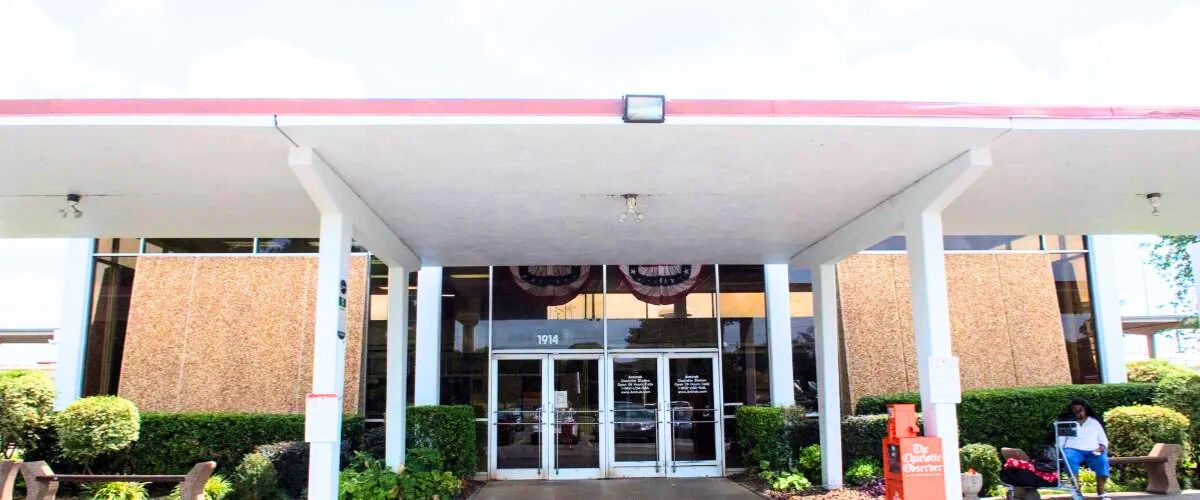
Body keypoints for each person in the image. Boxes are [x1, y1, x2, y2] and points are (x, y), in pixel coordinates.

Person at [1058, 399, 1110, 498]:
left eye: (1080, 410)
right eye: (1075, 410)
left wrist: (1101, 448)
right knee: (1069, 457)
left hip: (1093, 450)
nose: (1078, 412)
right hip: (1073, 449)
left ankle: (1101, 491)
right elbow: (1061, 441)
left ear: (1085, 410)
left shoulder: (1094, 422)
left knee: (1102, 460)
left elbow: (1103, 441)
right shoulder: (1067, 422)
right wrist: (1062, 450)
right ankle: (1077, 491)